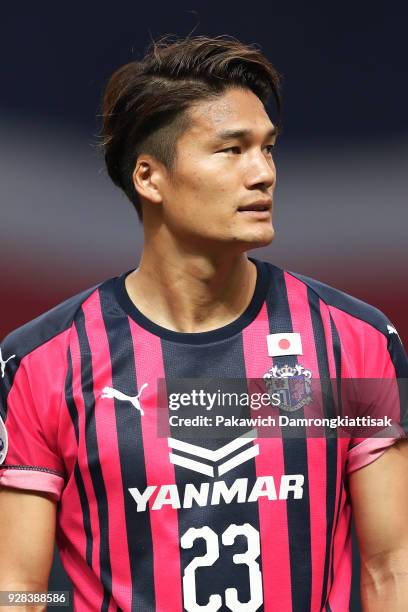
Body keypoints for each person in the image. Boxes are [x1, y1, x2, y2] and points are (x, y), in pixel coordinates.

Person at [0, 35, 407, 612]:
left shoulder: (353, 343)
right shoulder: (44, 363)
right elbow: (15, 586)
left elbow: (392, 567)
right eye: (231, 149)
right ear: (149, 177)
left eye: (268, 148)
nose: (263, 172)